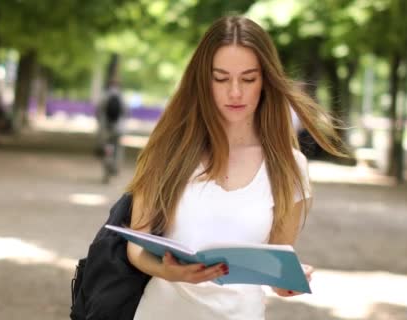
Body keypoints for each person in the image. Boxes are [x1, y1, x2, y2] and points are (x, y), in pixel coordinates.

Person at [124, 16, 345, 319]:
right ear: (204, 80)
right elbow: (135, 248)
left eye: (249, 78)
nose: (236, 92)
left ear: (266, 81)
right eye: (222, 78)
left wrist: (286, 283)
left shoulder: (290, 167)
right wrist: (166, 270)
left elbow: (274, 264)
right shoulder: (169, 151)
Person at [96, 80, 127, 182]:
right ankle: (115, 165)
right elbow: (126, 113)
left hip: (106, 129)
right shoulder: (121, 97)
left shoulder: (104, 96)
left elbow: (98, 112)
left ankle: (107, 165)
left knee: (107, 148)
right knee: (117, 148)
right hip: (118, 129)